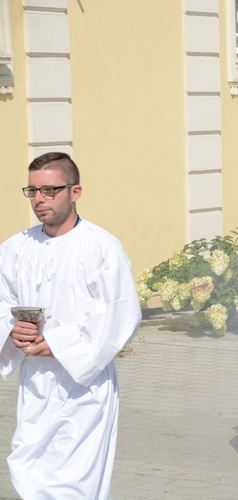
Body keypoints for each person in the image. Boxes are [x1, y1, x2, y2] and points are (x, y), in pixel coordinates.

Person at [0, 152, 142, 498]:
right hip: (36, 384)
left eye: (49, 191)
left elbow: (120, 315)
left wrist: (61, 343)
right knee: (31, 473)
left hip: (84, 386)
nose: (38, 200)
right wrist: (10, 328)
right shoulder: (16, 247)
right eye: (32, 191)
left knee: (74, 483)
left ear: (75, 192)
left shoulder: (101, 247)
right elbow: (4, 300)